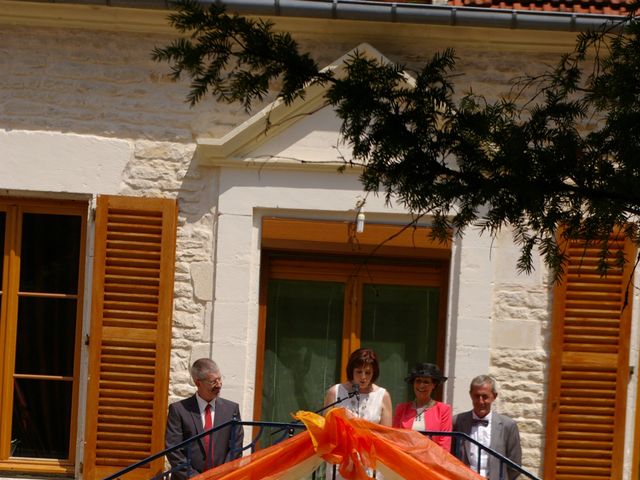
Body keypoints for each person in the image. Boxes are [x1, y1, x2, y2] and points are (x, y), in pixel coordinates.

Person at [165, 358, 243, 479]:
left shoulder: (231, 409)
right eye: (213, 382)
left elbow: (236, 448)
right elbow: (173, 450)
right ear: (198, 383)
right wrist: (196, 478)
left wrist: (222, 475)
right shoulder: (179, 410)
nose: (219, 385)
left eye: (220, 379)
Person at [323, 348, 392, 480]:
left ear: (374, 373)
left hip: (370, 463)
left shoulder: (383, 395)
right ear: (351, 371)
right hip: (341, 462)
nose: (363, 377)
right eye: (359, 372)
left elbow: (386, 436)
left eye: (368, 372)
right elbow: (327, 429)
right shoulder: (335, 392)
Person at [453, 375, 522, 480]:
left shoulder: (508, 425)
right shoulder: (457, 421)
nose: (480, 401)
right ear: (470, 395)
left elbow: (514, 465)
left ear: (494, 396)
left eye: (485, 397)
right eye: (476, 396)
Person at [392, 362, 452, 451]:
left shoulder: (443, 410)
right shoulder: (401, 409)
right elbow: (394, 439)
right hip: (405, 460)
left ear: (433, 385)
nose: (421, 385)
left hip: (431, 462)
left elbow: (444, 445)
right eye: (418, 381)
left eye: (426, 382)